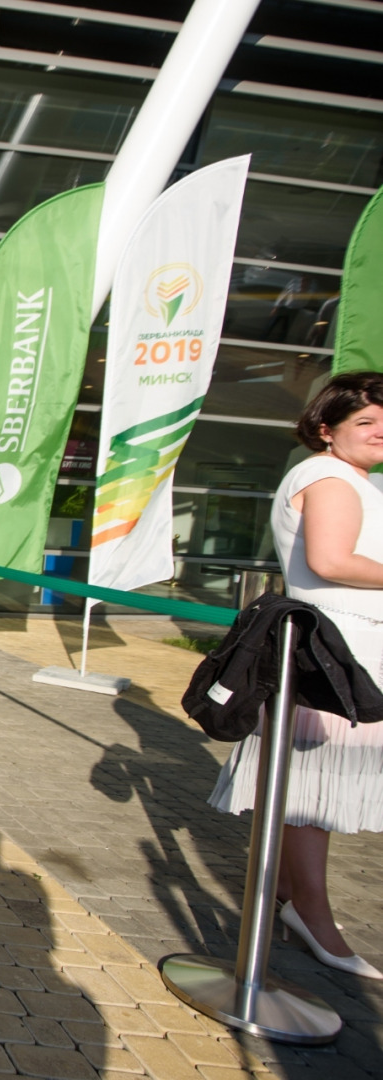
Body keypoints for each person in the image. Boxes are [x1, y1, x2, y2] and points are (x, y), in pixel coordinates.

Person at [209, 372, 383, 979]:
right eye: (366, 420)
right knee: (311, 795)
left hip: (336, 652)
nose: (380, 430)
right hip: (334, 655)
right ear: (326, 429)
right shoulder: (330, 476)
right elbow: (331, 560)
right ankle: (313, 915)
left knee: (305, 791)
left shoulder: (346, 477)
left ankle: (282, 899)